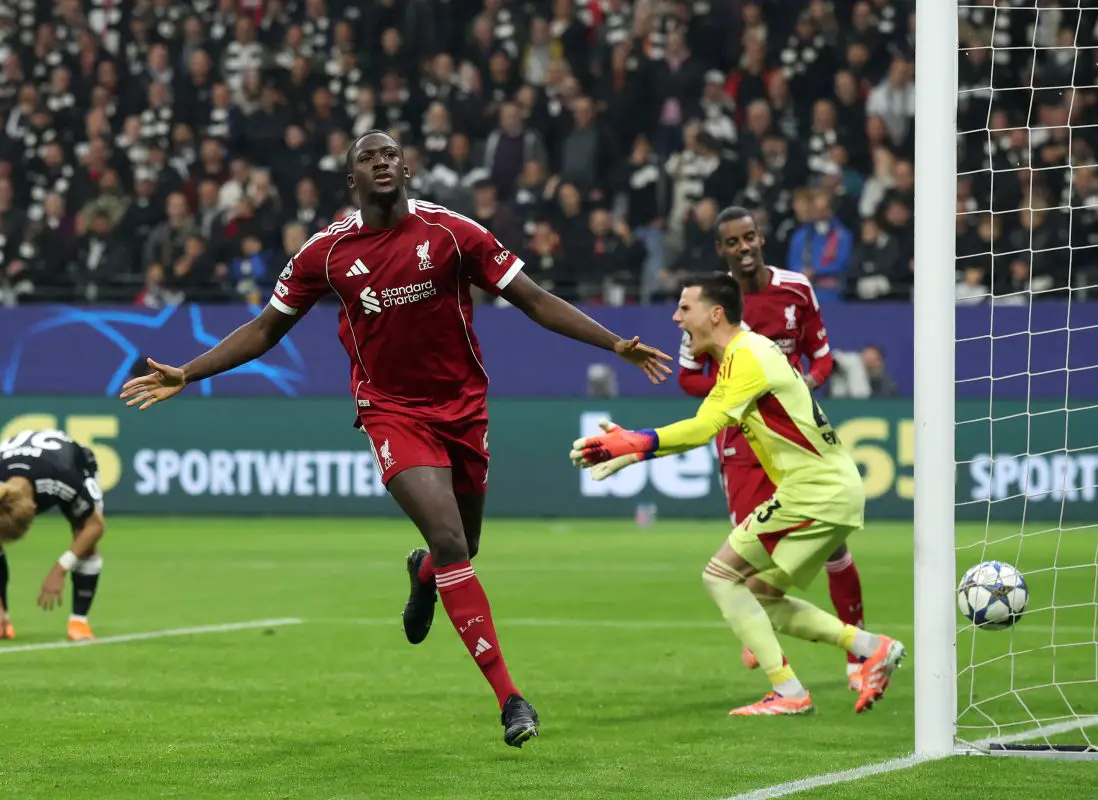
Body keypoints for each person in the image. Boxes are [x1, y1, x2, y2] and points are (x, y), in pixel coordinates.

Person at [119, 130, 672, 748]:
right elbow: (266, 328)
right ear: (350, 179)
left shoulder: (452, 233)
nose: (381, 162)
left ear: (406, 168)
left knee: (465, 544)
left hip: (462, 409)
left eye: (390, 155)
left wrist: (615, 343)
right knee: (450, 539)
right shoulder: (325, 253)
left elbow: (533, 300)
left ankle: (423, 576)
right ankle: (511, 698)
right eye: (367, 157)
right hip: (390, 411)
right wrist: (188, 372)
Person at [570, 273, 904, 716]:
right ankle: (871, 647)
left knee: (718, 576)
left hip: (815, 491)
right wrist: (633, 455)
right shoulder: (741, 357)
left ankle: (788, 692)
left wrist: (632, 442)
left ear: (715, 314)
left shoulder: (748, 355)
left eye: (685, 308)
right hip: (827, 489)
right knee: (761, 593)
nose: (676, 317)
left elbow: (702, 427)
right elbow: (705, 425)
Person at [677, 206, 868, 690]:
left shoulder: (797, 289)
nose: (743, 248)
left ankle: (858, 652)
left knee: (832, 544)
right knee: (747, 551)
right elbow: (686, 376)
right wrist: (739, 393)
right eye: (732, 242)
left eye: (749, 238)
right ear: (721, 250)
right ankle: (779, 671)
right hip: (740, 437)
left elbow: (823, 359)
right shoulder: (709, 302)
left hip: (793, 434)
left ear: (761, 238)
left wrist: (798, 384)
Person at [0, 429, 107, 643]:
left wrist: (60, 568)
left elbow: (96, 527)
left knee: (84, 536)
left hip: (75, 462)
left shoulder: (64, 480)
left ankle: (79, 623)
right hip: (26, 460)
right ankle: (1, 620)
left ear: (34, 509)